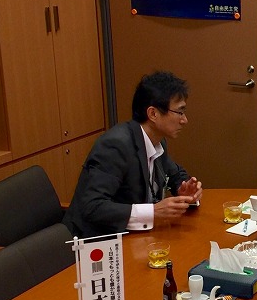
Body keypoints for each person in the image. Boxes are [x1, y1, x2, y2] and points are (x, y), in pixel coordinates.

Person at [63, 71, 203, 238]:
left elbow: (175, 174)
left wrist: (184, 189)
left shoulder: (157, 139)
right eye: (179, 112)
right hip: (96, 241)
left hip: (136, 236)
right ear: (153, 114)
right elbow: (93, 207)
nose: (184, 120)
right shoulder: (116, 145)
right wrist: (153, 212)